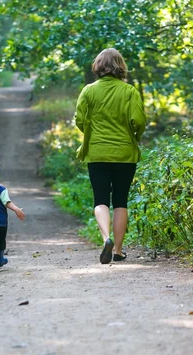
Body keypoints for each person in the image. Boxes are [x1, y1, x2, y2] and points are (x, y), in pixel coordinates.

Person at [75, 48, 146, 264]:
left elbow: (79, 119)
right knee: (121, 201)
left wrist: (92, 131)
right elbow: (139, 122)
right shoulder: (129, 92)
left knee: (101, 200)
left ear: (98, 66)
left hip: (97, 153)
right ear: (120, 66)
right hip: (125, 154)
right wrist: (134, 136)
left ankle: (106, 238)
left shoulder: (88, 91)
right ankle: (117, 249)